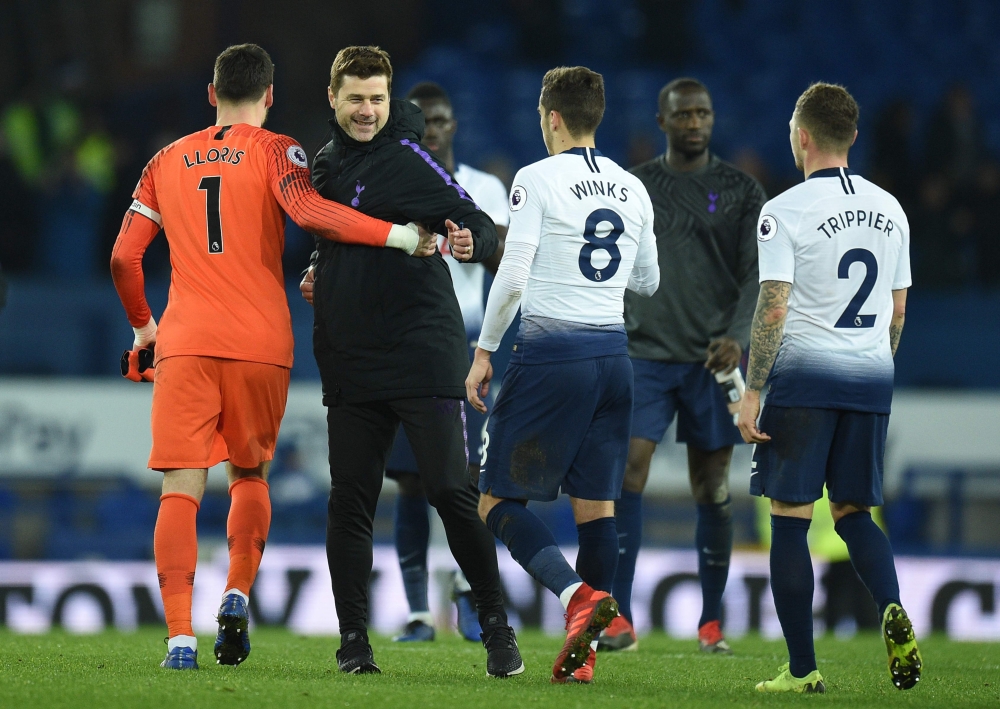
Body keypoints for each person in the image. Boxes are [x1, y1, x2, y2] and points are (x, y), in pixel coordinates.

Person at [109, 43, 427, 671]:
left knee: (181, 489)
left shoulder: (164, 160)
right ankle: (235, 592)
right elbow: (310, 212)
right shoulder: (279, 150)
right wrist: (397, 234)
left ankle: (179, 639)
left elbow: (124, 258)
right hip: (261, 343)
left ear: (211, 93)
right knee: (249, 476)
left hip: (186, 341)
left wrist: (145, 329)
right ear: (270, 95)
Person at [303, 46, 521, 677]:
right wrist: (319, 271)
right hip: (350, 355)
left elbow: (479, 221)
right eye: (355, 98)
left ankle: (497, 630)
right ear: (333, 97)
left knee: (452, 490)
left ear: (390, 99)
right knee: (351, 501)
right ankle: (354, 642)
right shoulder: (323, 165)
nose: (367, 111)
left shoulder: (407, 158)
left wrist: (467, 239)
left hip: (422, 349)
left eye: (377, 99)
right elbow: (336, 239)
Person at [468, 66, 659, 684]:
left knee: (495, 499)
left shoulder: (535, 179)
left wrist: (485, 349)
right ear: (595, 117)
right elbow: (648, 280)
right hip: (614, 360)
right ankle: (586, 660)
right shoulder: (633, 189)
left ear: (550, 117)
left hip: (552, 356)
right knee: (596, 509)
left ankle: (576, 597)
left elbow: (515, 271)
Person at [738, 82, 922, 693]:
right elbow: (897, 312)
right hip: (871, 379)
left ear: (803, 137)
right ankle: (891, 606)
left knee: (791, 519)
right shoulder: (890, 209)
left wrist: (753, 388)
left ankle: (801, 671)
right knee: (852, 513)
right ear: (854, 137)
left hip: (804, 380)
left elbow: (772, 309)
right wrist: (873, 367)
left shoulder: (783, 211)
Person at [601, 78, 766, 654]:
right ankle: (616, 617)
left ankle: (711, 620)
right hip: (644, 353)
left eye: (704, 112)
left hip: (709, 362)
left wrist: (738, 336)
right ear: (663, 121)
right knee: (629, 473)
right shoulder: (637, 186)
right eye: (684, 114)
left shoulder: (741, 190)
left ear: (712, 118)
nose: (695, 121)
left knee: (710, 486)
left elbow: (756, 276)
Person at [385, 81, 510, 643]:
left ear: (453, 124)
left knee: (472, 479)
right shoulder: (393, 186)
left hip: (469, 341)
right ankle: (416, 612)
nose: (432, 131)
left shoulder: (484, 188)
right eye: (423, 123)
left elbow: (509, 262)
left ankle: (468, 592)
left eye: (440, 121)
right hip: (408, 339)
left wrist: (477, 241)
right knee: (411, 481)